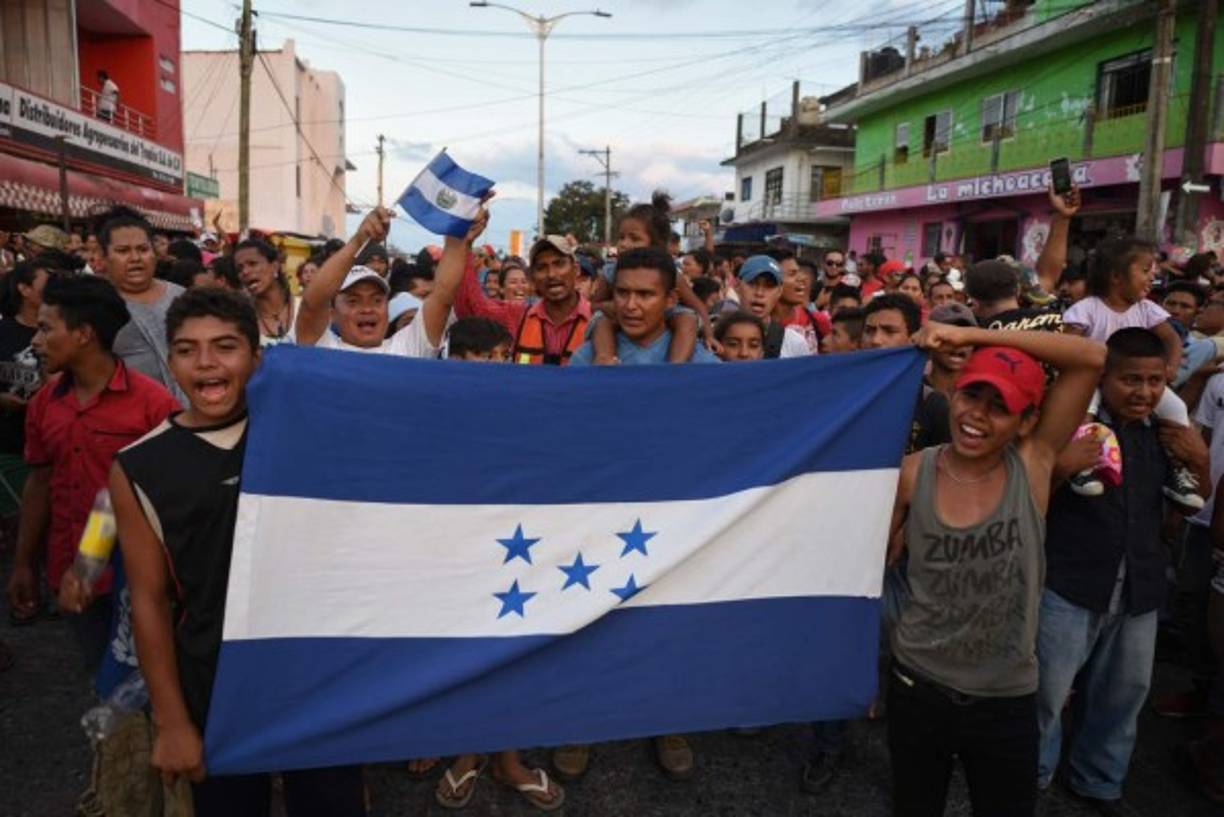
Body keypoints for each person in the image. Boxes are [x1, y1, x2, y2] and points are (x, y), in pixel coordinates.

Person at [112, 287, 365, 816]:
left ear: (255, 355)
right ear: (172, 359)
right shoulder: (138, 465)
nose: (205, 362)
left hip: (312, 675)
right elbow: (149, 600)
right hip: (214, 684)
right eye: (186, 349)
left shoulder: (304, 433)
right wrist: (172, 721)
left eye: (225, 346)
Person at [887, 322, 1106, 817]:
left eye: (999, 406)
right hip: (917, 687)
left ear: (1028, 421)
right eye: (971, 396)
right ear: (953, 393)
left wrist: (974, 337)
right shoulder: (914, 473)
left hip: (1004, 696)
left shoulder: (1032, 465)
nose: (976, 416)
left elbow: (1091, 357)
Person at [1037, 328, 1210, 816]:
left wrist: (1198, 462)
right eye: (1130, 379)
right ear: (1103, 378)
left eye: (1155, 381)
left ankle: (1099, 782)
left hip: (1139, 585)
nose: (1143, 391)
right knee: (1047, 695)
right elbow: (1029, 496)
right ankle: (1033, 775)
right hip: (1070, 582)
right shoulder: (1071, 426)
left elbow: (1187, 503)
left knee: (1123, 697)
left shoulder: (1166, 433)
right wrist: (1062, 467)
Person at [6, 274, 177, 657]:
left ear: (83, 334)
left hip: (140, 582)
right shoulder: (44, 403)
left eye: (46, 329)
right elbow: (39, 483)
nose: (35, 342)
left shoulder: (155, 406)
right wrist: (23, 563)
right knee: (101, 686)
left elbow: (155, 498)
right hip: (68, 576)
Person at [1062, 238, 1202, 509]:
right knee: (1085, 410)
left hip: (1138, 382)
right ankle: (1084, 467)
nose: (1154, 276)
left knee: (1177, 410)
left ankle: (1177, 472)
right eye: (1146, 270)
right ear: (1116, 276)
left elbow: (1172, 339)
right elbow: (1068, 345)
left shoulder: (1146, 309)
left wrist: (1170, 367)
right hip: (1093, 380)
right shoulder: (1087, 309)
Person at [295, 207, 464, 357]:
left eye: (377, 300)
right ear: (332, 314)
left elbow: (443, 296)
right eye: (353, 301)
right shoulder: (323, 349)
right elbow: (312, 304)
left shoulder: (409, 348)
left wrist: (459, 236)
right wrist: (358, 241)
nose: (367, 309)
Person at [453, 219, 590, 365]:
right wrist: (465, 243)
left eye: (559, 264)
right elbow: (471, 308)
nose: (551, 274)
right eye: (541, 267)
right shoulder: (517, 315)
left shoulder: (600, 322)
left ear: (576, 270)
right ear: (532, 277)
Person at [572, 248, 719, 366]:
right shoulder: (587, 361)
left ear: (671, 299)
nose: (630, 306)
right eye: (622, 293)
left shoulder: (701, 364)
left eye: (645, 295)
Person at [101, 208, 187, 403]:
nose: (135, 258)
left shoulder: (181, 296)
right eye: (123, 251)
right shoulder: (95, 304)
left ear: (154, 253)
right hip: (127, 416)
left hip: (190, 414)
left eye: (142, 249)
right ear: (104, 257)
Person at [734, 256, 813, 359]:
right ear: (737, 286)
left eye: (769, 286)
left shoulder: (794, 343)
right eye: (752, 283)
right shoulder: (716, 339)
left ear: (779, 291)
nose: (759, 293)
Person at [235, 238, 297, 346]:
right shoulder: (242, 319)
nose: (245, 272)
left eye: (252, 264)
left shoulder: (305, 307)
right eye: (239, 269)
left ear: (275, 267)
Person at [772, 249, 825, 353]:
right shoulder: (756, 329)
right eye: (792, 274)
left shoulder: (818, 321)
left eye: (799, 273)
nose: (802, 279)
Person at [925, 303, 976, 396]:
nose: (958, 343)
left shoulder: (980, 392)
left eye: (965, 336)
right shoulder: (913, 388)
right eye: (948, 336)